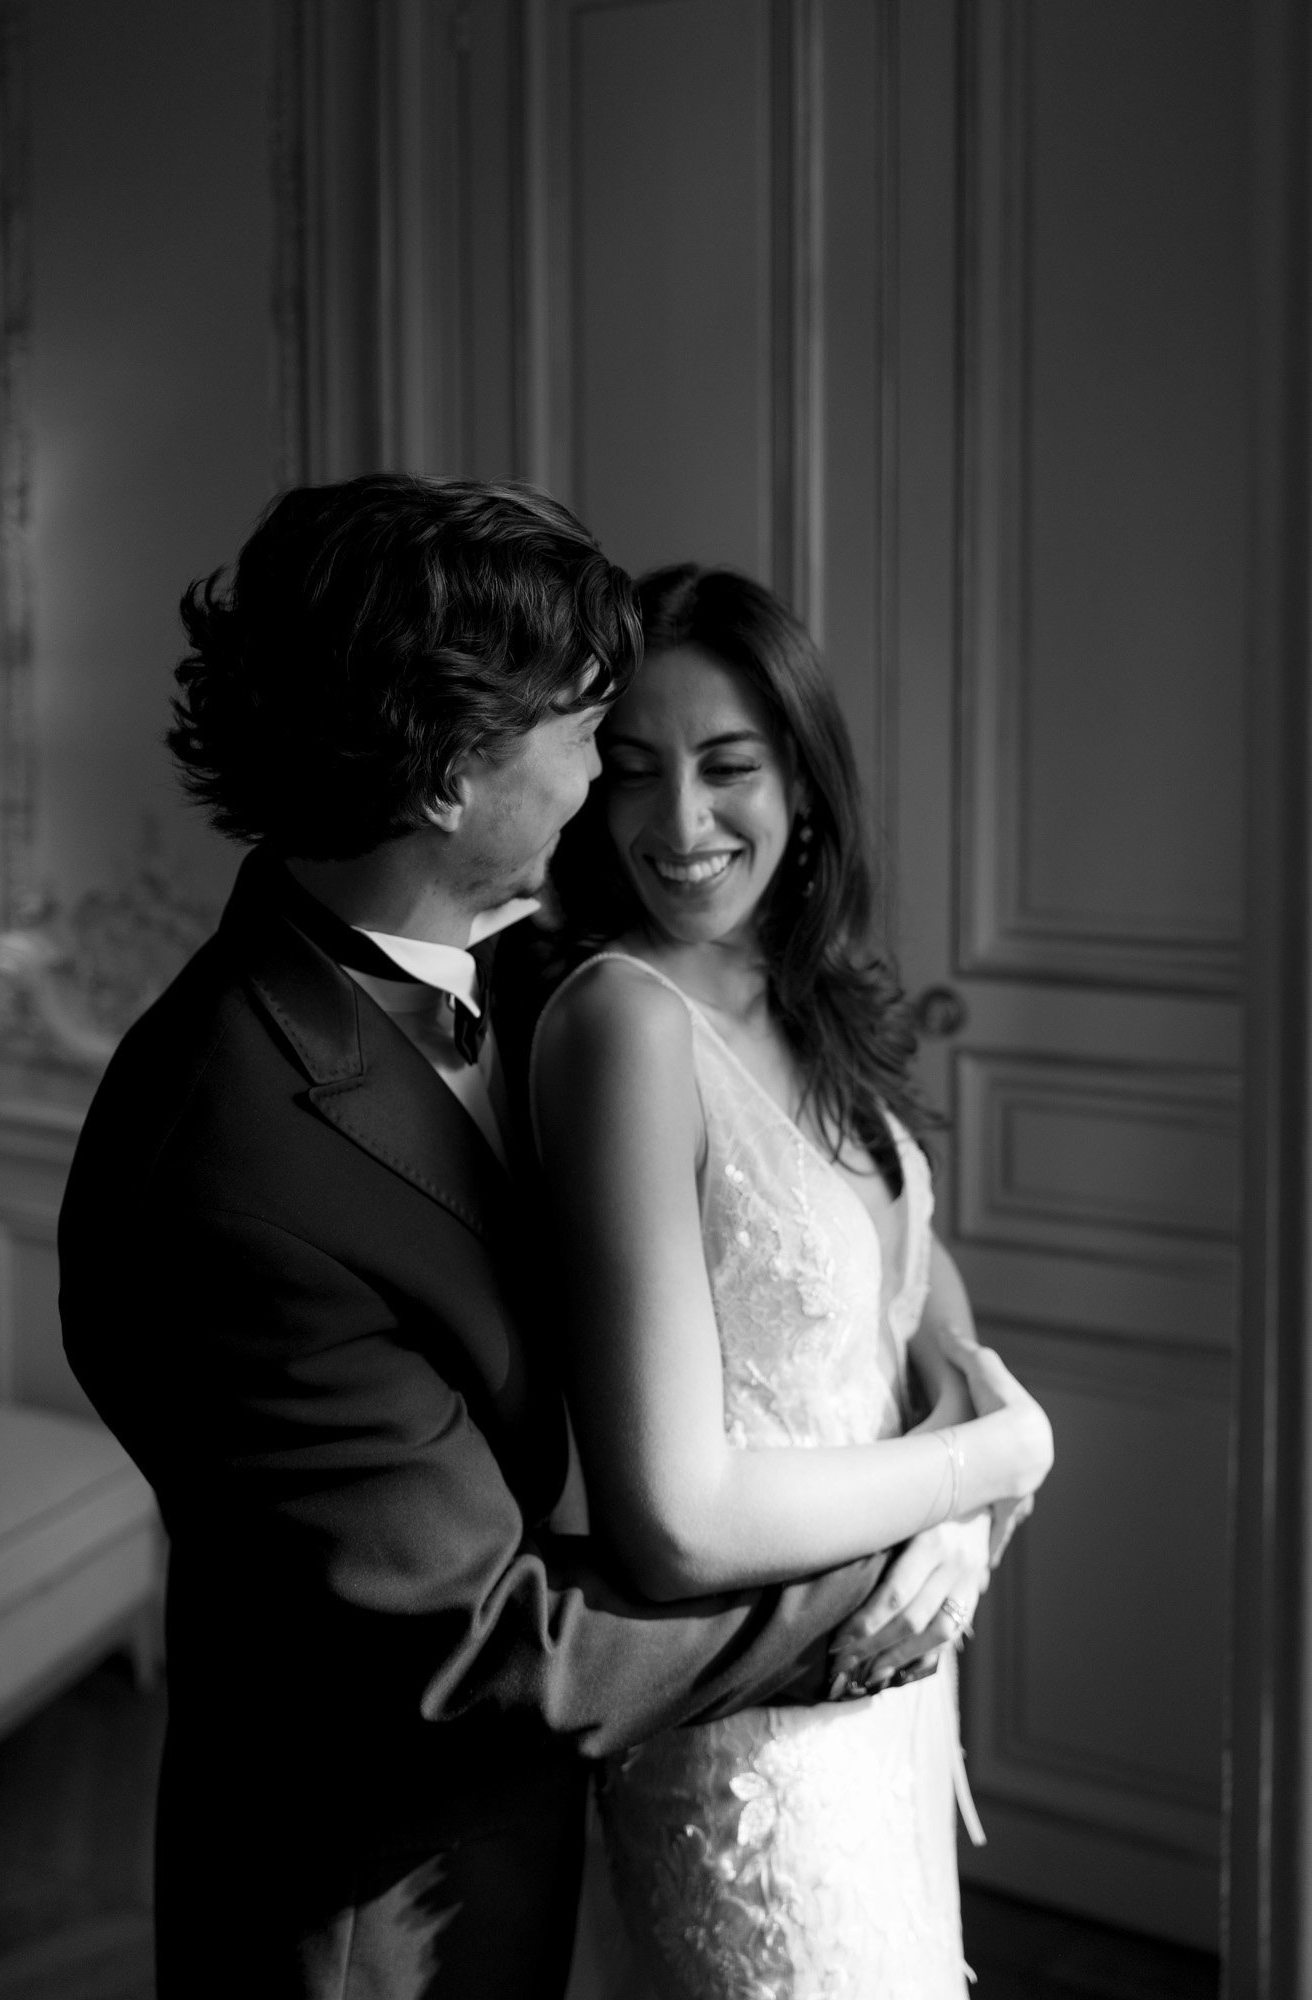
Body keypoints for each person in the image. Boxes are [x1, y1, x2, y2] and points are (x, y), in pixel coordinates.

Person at [56, 477, 936, 2000]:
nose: (612, 779)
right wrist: (876, 1587)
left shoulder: (529, 978)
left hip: (546, 1840)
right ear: (457, 768)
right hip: (372, 1913)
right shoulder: (227, 1154)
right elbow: (485, 1646)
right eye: (589, 730)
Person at [533, 564, 1054, 1998]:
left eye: (726, 767)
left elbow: (901, 1258)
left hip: (883, 1692)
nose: (679, 825)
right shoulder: (623, 1025)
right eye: (631, 772)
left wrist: (962, 1437)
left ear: (804, 783)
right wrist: (989, 1459)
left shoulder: (794, 987)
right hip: (754, 1743)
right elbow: (670, 1528)